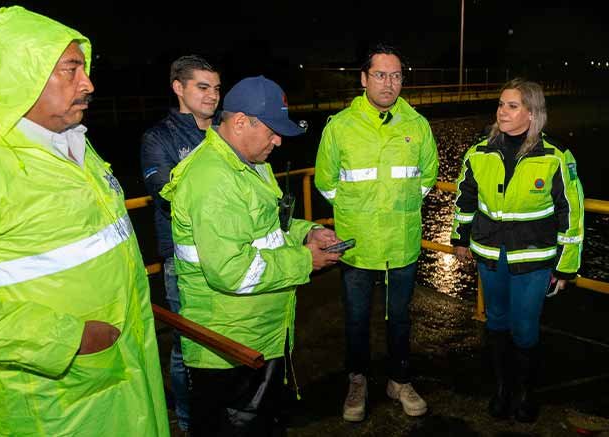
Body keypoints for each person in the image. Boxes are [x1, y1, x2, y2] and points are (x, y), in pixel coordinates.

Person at [0, 6, 169, 436]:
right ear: (20, 74)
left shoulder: (76, 146)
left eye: (84, 69)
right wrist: (68, 341)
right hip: (58, 401)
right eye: (70, 70)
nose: (88, 84)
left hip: (124, 372)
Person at [160, 75, 342, 436]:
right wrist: (307, 260)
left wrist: (308, 231)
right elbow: (233, 271)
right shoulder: (212, 178)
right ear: (241, 122)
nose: (278, 141)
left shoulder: (250, 164)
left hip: (260, 336)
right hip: (228, 349)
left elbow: (270, 225)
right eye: (273, 131)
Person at [314, 43, 439, 422]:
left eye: (396, 75)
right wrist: (357, 213)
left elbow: (427, 176)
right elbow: (325, 181)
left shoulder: (417, 125)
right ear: (364, 78)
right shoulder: (340, 127)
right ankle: (358, 381)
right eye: (381, 75)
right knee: (356, 318)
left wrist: (397, 209)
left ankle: (399, 380)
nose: (389, 83)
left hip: (401, 242)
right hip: (358, 244)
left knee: (400, 317)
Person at [450, 78, 584, 422]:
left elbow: (572, 214)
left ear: (532, 112)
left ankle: (525, 392)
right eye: (501, 104)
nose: (502, 111)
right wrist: (460, 239)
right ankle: (501, 389)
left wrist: (566, 267)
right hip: (491, 257)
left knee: (524, 329)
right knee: (496, 322)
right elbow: (464, 199)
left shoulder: (555, 157)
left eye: (512, 105)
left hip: (533, 261)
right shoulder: (479, 152)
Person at [140, 54, 221, 433]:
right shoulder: (158, 138)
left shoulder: (226, 128)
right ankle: (189, 423)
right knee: (186, 344)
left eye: (216, 88)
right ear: (179, 88)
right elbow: (165, 192)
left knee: (224, 336)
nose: (212, 96)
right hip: (182, 259)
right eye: (202, 87)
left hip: (231, 252)